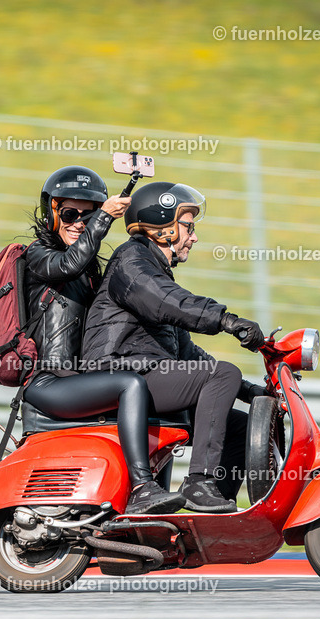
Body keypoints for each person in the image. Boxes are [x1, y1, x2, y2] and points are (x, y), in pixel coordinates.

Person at [81, 181, 267, 513]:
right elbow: (171, 302)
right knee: (221, 373)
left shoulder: (154, 270)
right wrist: (226, 321)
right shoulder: (132, 263)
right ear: (161, 227)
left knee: (238, 425)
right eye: (188, 226)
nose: (193, 237)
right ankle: (198, 483)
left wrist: (249, 391)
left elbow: (187, 351)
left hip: (146, 371)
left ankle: (214, 508)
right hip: (118, 372)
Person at [22, 166, 185, 515]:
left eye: (88, 214)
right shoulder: (37, 256)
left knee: (162, 398)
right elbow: (68, 265)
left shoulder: (90, 270)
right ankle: (143, 486)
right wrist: (104, 219)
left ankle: (159, 503)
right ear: (52, 212)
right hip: (49, 382)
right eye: (69, 214)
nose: (79, 222)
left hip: (77, 380)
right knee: (129, 385)